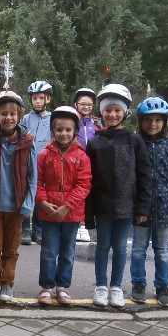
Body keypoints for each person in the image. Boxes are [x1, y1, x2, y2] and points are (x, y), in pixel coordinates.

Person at [85, 84, 152, 308]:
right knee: (102, 245)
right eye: (107, 110)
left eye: (117, 110)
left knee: (121, 247)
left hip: (127, 205)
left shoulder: (134, 141)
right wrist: (89, 212)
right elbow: (88, 179)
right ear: (101, 112)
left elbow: (144, 175)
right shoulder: (95, 142)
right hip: (103, 206)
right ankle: (101, 285)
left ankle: (116, 286)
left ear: (124, 112)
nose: (112, 114)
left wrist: (143, 206)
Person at [129, 97, 168, 308]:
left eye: (158, 120)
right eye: (148, 120)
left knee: (162, 250)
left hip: (165, 207)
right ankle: (138, 284)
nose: (152, 124)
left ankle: (162, 286)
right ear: (140, 121)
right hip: (141, 207)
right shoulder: (135, 143)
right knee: (138, 248)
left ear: (164, 122)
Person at [0, 91, 37, 303]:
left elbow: (32, 177)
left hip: (17, 207)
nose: (8, 118)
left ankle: (7, 283)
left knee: (11, 249)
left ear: (19, 116)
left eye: (13, 114)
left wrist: (27, 205)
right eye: (3, 113)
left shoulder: (27, 142)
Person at [36, 106, 91, 306]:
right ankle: (47, 286)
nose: (63, 133)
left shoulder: (82, 156)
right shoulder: (44, 155)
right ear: (52, 130)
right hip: (49, 211)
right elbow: (37, 182)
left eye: (68, 129)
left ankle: (62, 286)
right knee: (49, 252)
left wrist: (67, 206)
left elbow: (84, 185)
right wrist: (43, 203)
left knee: (68, 252)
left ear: (75, 131)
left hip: (72, 213)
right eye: (59, 129)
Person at [20, 80, 53, 245]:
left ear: (48, 99)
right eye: (34, 98)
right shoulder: (25, 119)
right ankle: (25, 227)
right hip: (28, 162)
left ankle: (38, 229)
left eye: (41, 98)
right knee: (26, 193)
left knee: (41, 196)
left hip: (46, 163)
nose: (38, 101)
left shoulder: (53, 119)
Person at [73, 87, 100, 243]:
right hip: (75, 162)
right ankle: (76, 223)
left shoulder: (96, 123)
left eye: (89, 104)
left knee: (87, 194)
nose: (86, 107)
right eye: (83, 104)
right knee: (76, 192)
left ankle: (83, 224)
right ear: (76, 104)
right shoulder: (72, 121)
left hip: (92, 163)